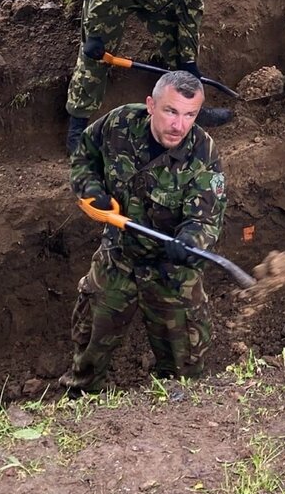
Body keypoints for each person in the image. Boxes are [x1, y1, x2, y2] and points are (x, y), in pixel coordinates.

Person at [58, 70, 226, 393]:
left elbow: (205, 220)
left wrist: (190, 241)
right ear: (151, 105)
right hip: (118, 254)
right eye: (171, 111)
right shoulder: (118, 124)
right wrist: (91, 189)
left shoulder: (203, 153)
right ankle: (81, 401)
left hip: (170, 268)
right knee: (90, 344)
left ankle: (176, 418)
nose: (180, 125)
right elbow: (83, 156)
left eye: (190, 115)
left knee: (185, 369)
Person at [65, 0, 241, 154]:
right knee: (97, 56)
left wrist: (188, 61)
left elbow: (190, 11)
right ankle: (77, 131)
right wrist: (95, 33)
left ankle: (188, 108)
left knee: (179, 52)